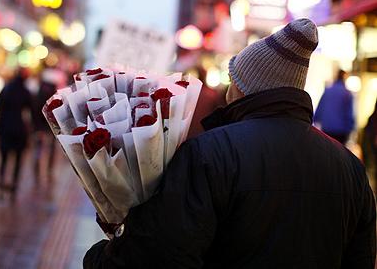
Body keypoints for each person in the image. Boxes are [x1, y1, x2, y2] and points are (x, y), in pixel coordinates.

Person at [84, 19, 376, 268]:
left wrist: (100, 257)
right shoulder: (350, 167)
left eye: (233, 77)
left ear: (243, 87)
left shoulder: (209, 154)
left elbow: (160, 255)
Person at [0, 68, 33, 198]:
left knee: (3, 159)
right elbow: (31, 111)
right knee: (18, 159)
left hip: (5, 127)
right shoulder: (25, 91)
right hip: (19, 129)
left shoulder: (7, 89)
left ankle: (1, 181)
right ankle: (14, 184)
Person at [314, 69, 355, 145]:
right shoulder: (347, 94)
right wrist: (351, 129)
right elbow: (350, 114)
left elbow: (320, 108)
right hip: (341, 133)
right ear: (345, 78)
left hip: (326, 130)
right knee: (338, 156)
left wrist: (315, 120)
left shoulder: (328, 91)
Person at [31, 69, 57, 184]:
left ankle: (37, 168)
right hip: (49, 126)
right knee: (50, 149)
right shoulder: (52, 93)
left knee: (39, 148)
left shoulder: (38, 92)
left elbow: (35, 110)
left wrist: (36, 126)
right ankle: (48, 169)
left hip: (40, 126)